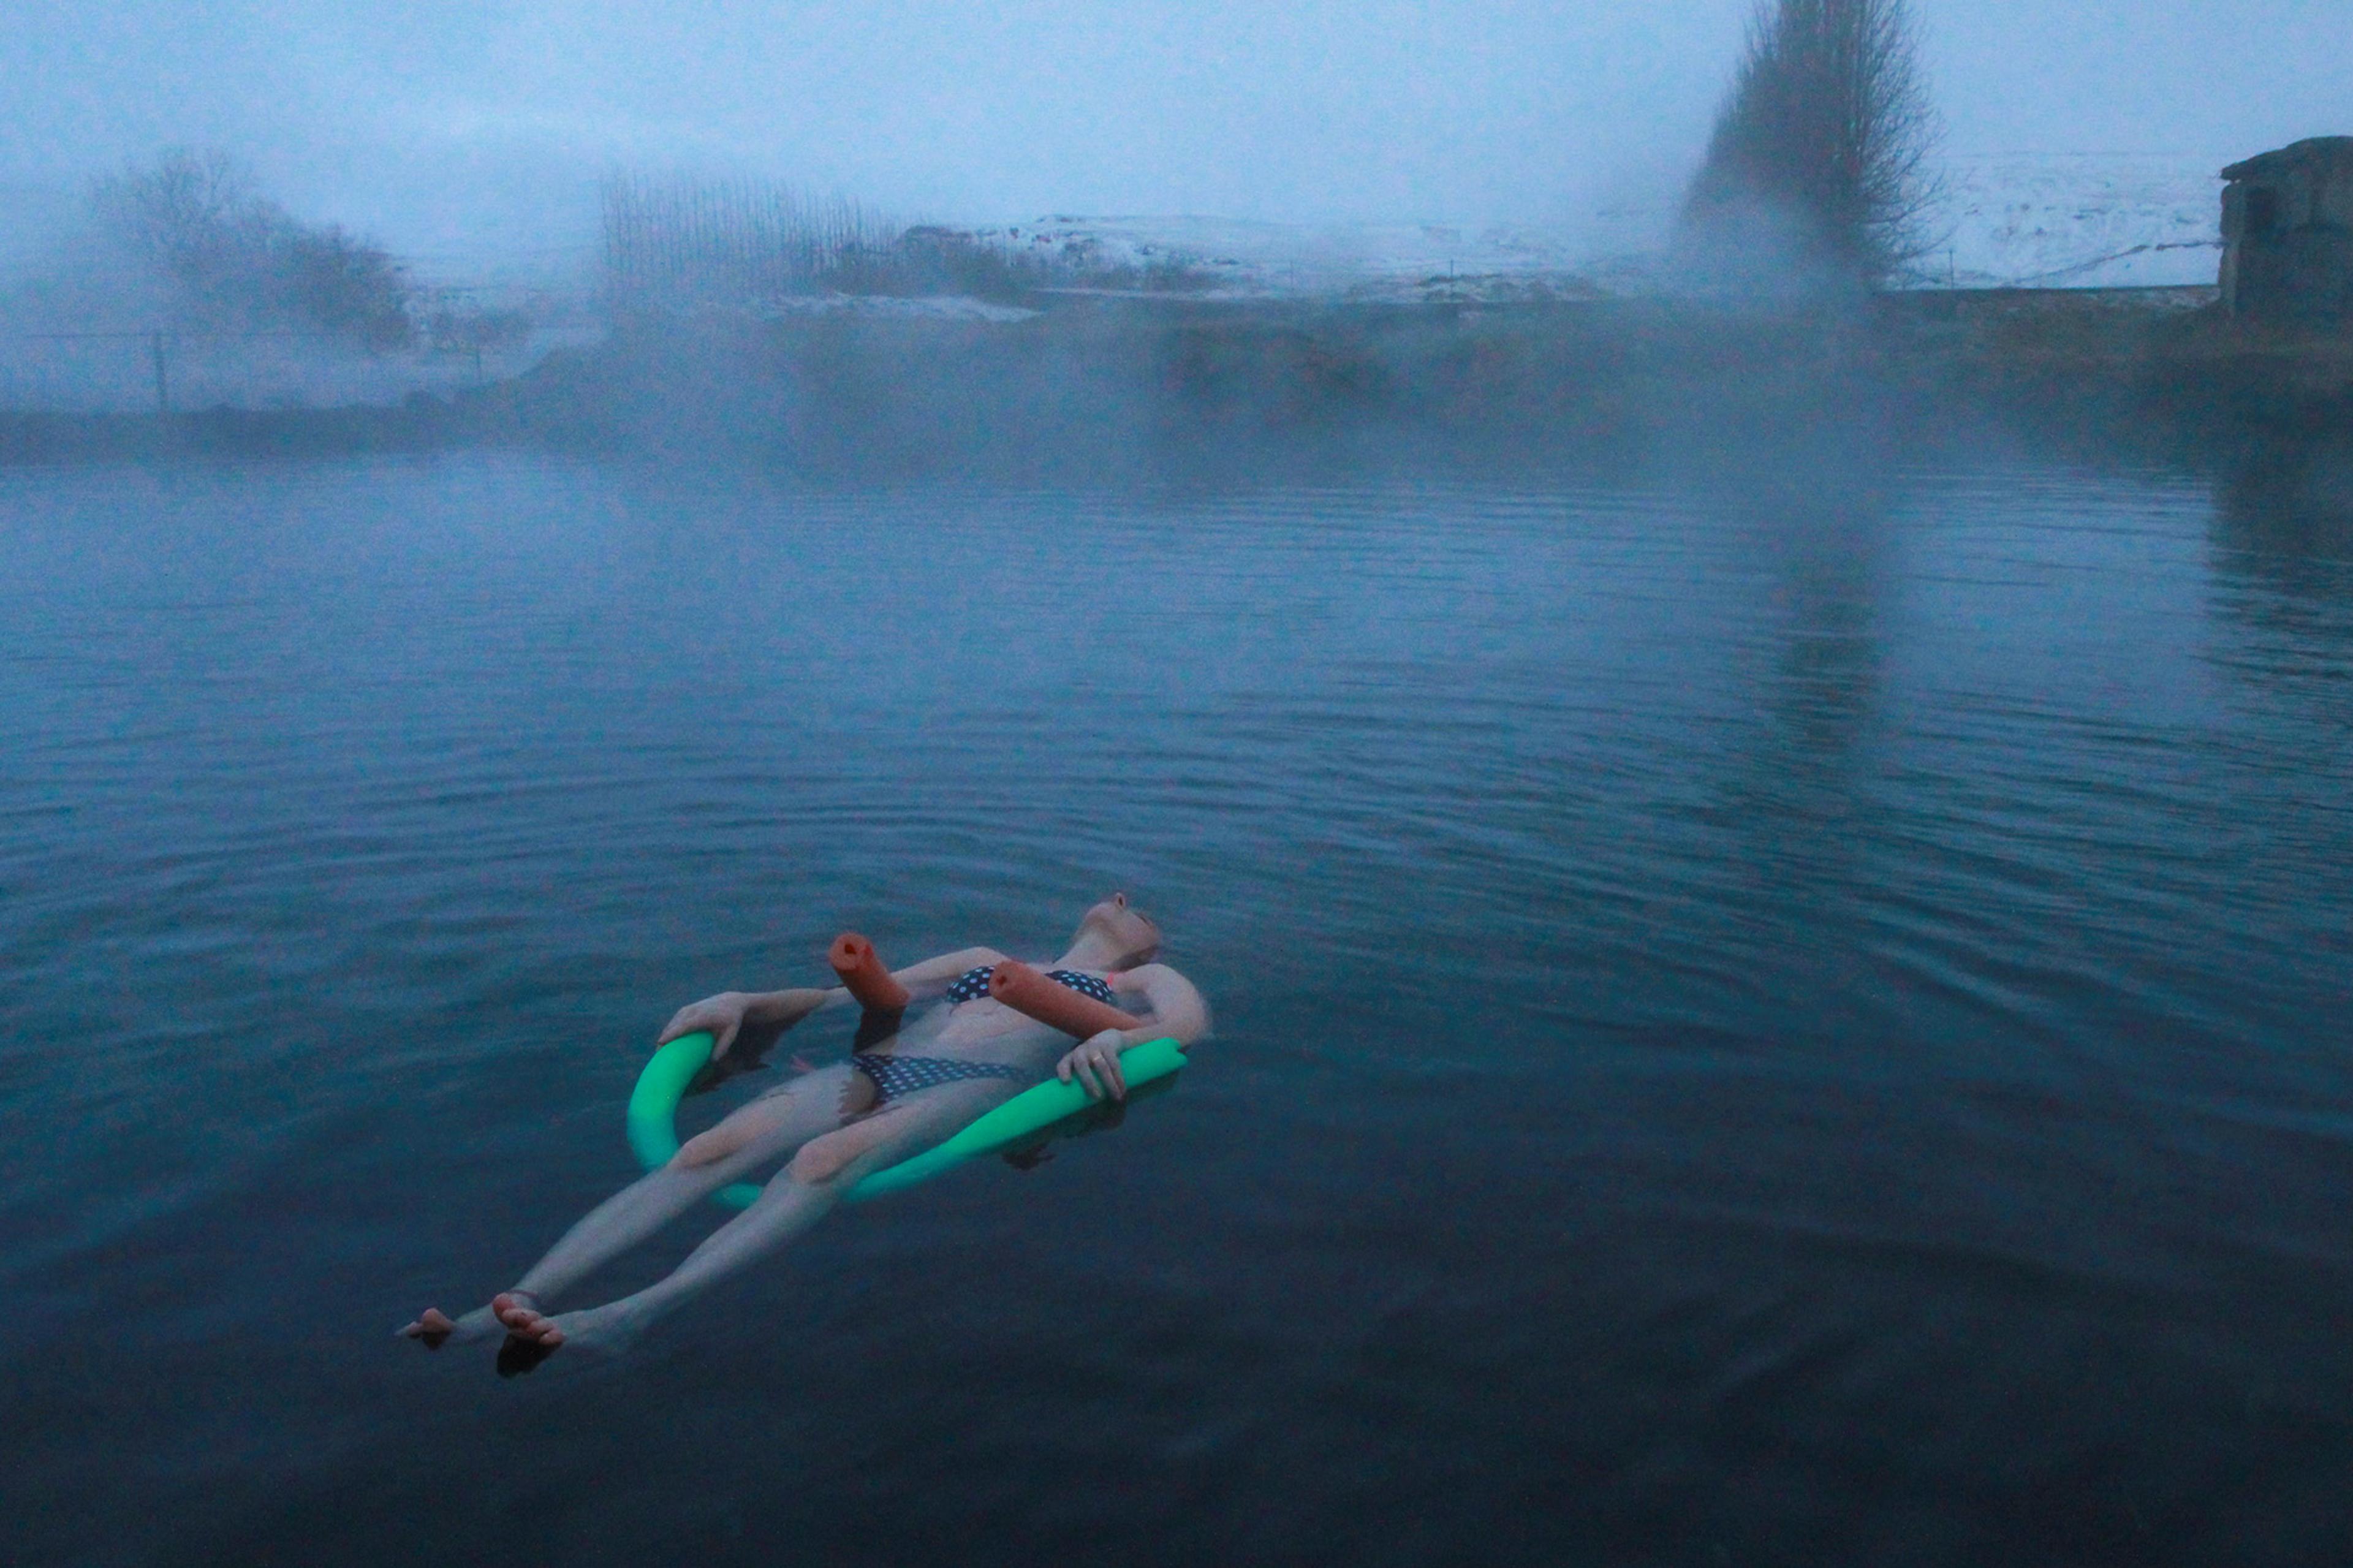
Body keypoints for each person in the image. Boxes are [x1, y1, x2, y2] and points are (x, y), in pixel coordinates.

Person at [400, 893, 1208, 1367]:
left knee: (826, 1161)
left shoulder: (1136, 980)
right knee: (705, 1149)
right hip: (881, 1068)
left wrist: (1118, 1035)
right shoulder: (985, 956)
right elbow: (857, 1001)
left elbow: (1189, 1026)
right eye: (1115, 894)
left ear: (1150, 941)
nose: (1120, 897)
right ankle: (501, 1307)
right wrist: (748, 1001)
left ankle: (635, 1313)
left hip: (975, 1085)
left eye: (1138, 908)